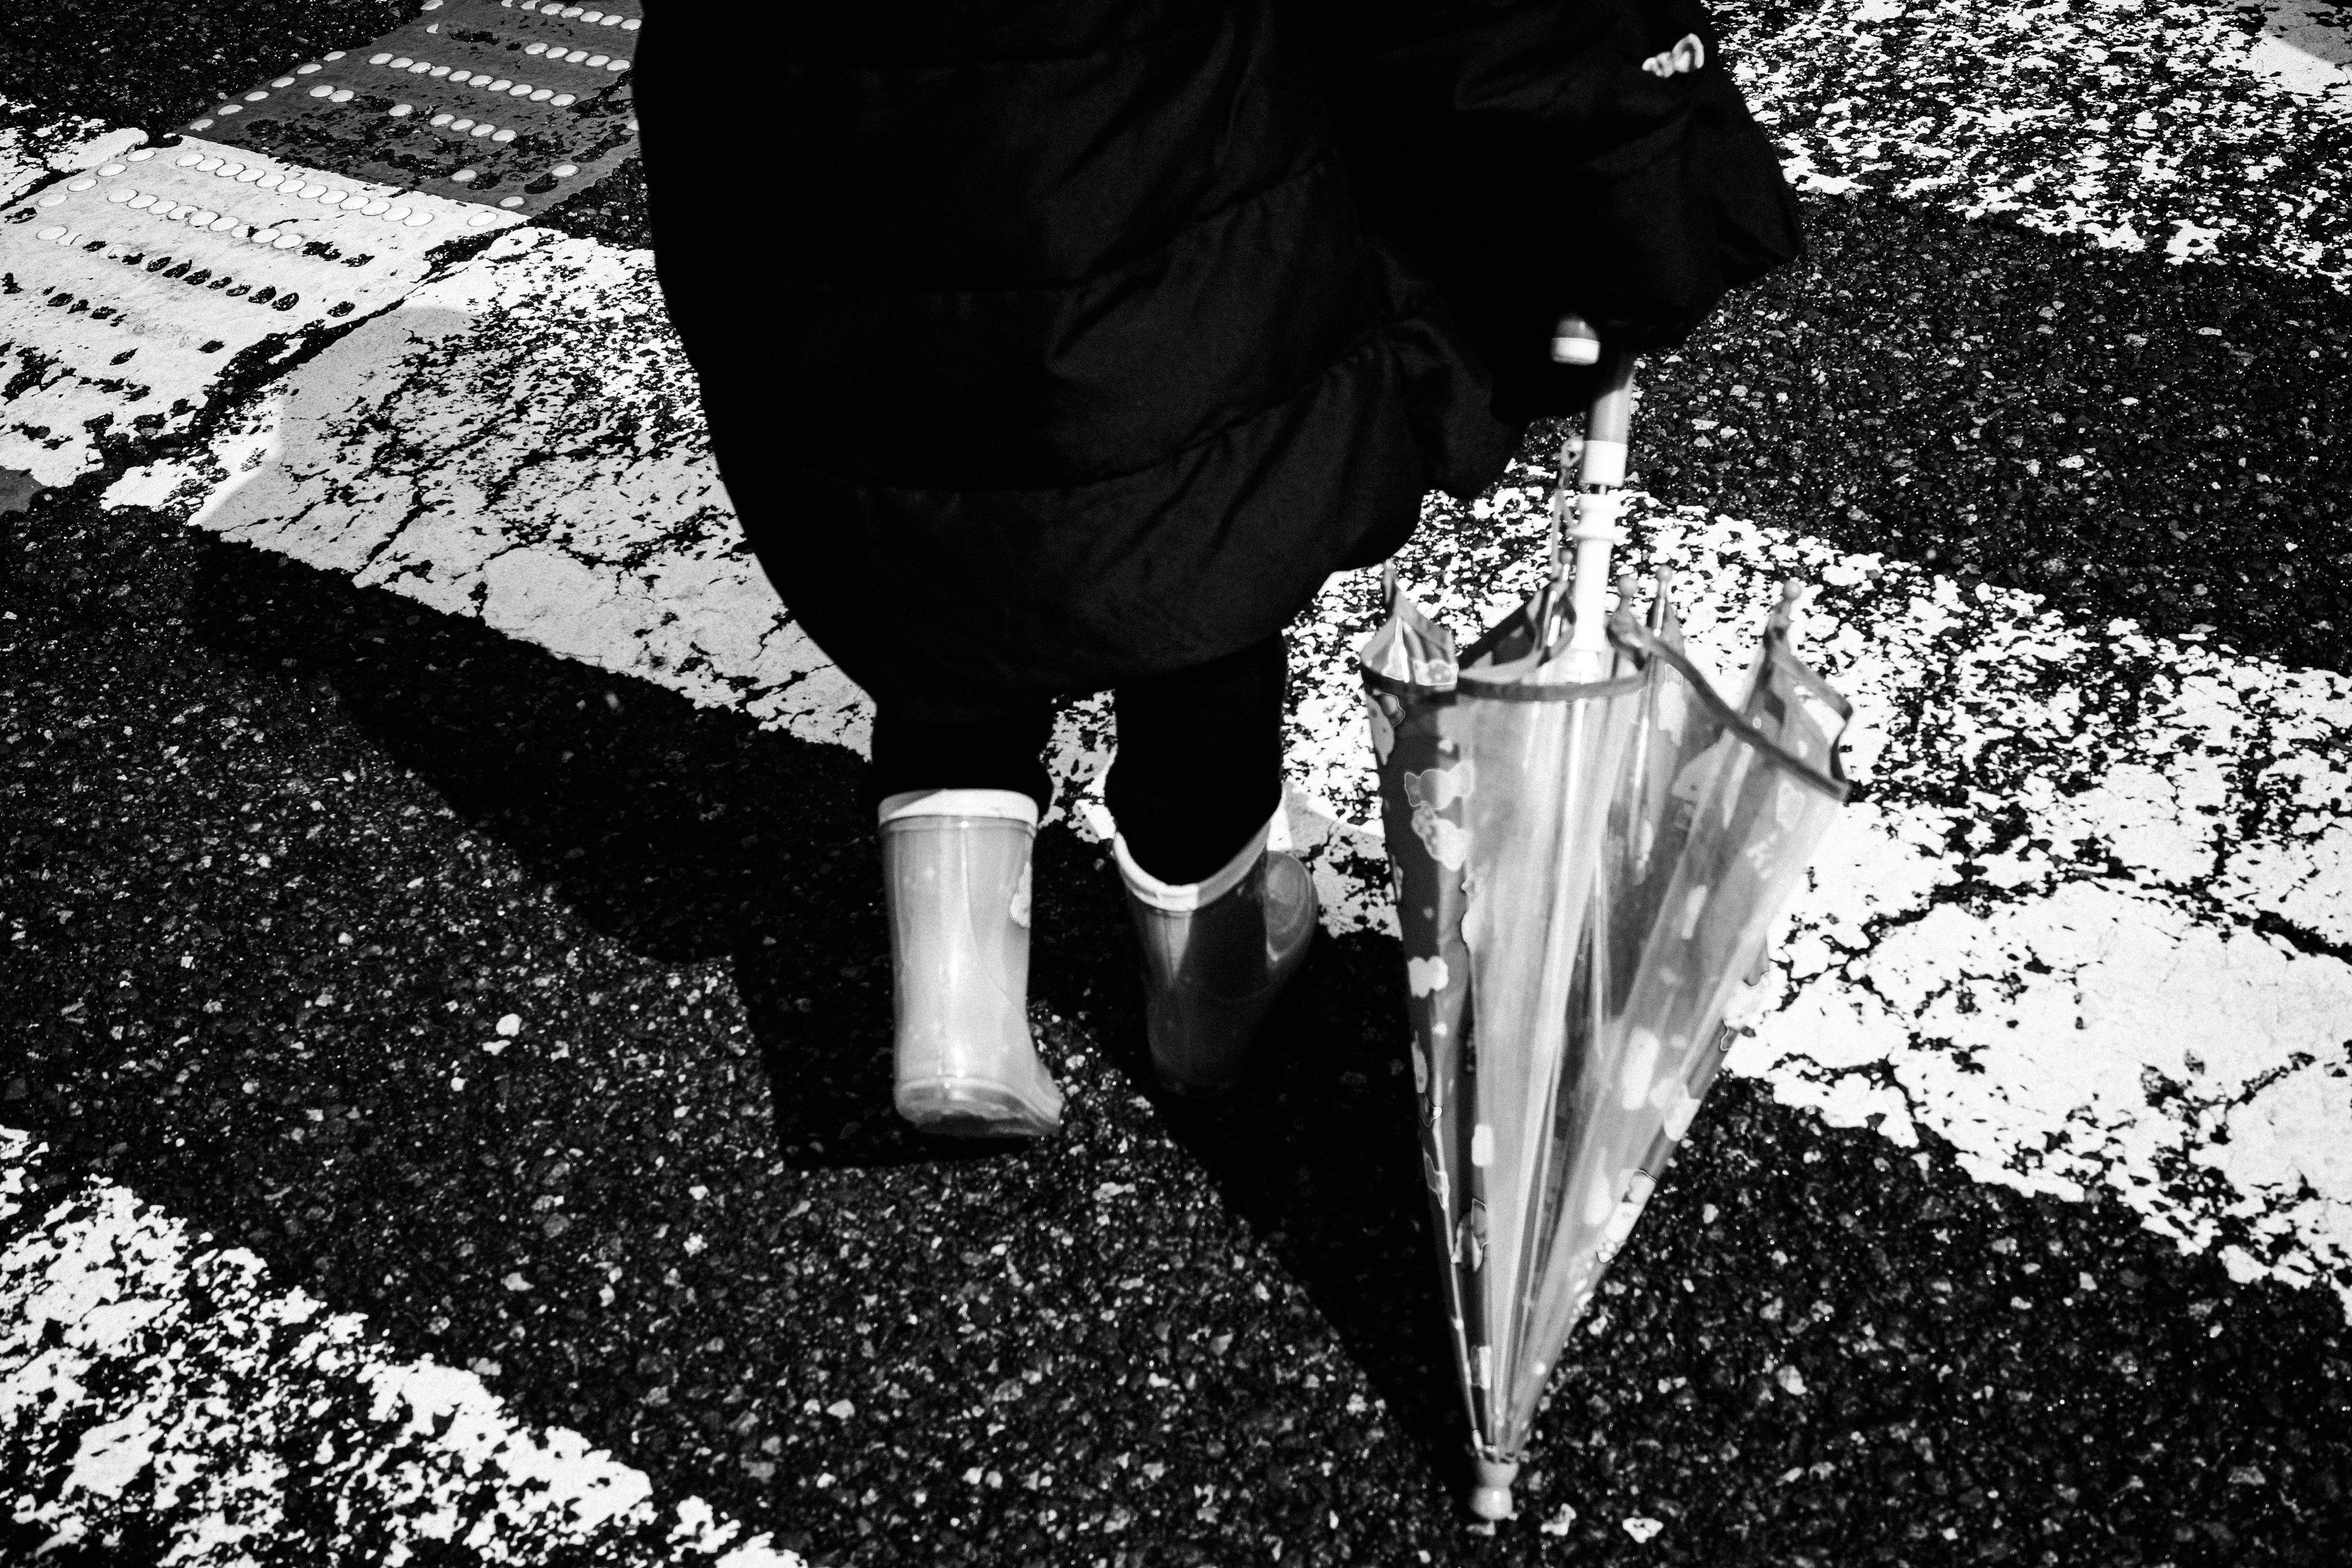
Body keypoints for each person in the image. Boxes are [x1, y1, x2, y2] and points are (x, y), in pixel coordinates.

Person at [631, 0, 1801, 1137]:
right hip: (1124, 118)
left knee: (930, 478)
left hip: (782, 125)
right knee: (1187, 497)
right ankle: (1208, 979)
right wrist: (1626, 158)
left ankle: (956, 1005)